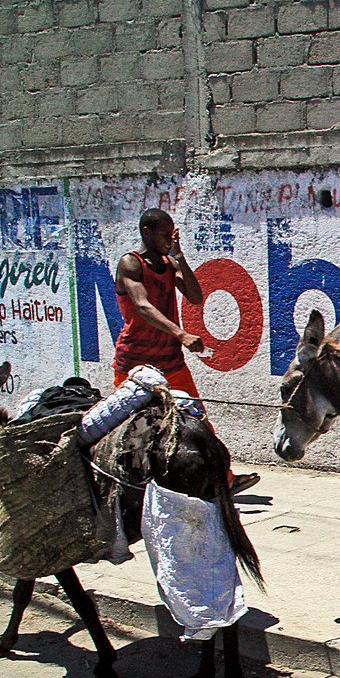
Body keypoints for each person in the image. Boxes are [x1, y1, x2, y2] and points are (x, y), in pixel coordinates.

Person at [115, 208, 259, 493]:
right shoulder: (131, 263)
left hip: (170, 362)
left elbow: (195, 296)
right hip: (134, 363)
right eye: (165, 235)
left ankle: (223, 480)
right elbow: (143, 307)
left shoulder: (169, 263)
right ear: (147, 231)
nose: (170, 239)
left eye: (172, 235)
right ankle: (126, 485)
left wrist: (179, 257)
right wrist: (180, 333)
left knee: (198, 422)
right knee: (127, 428)